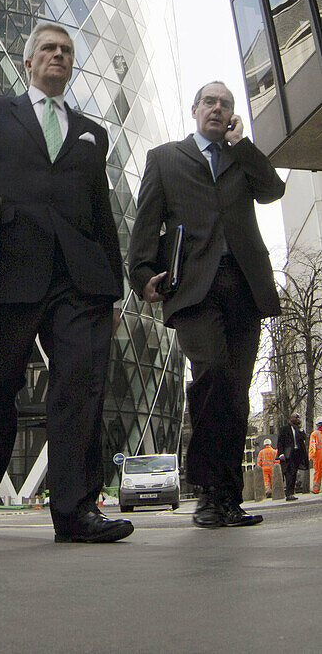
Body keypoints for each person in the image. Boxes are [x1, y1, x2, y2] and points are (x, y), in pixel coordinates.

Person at [0, 21, 132, 544]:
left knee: (79, 388)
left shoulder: (93, 132)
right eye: (49, 48)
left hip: (80, 279)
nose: (59, 56)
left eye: (67, 50)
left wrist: (114, 291)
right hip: (10, 272)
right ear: (28, 61)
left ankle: (74, 512)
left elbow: (102, 216)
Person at [128, 82, 285, 529]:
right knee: (212, 371)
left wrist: (242, 143)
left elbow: (273, 190)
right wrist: (142, 277)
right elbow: (146, 224)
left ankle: (226, 499)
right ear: (194, 109)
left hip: (245, 287)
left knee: (235, 392)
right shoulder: (165, 158)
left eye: (226, 104)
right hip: (194, 289)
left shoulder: (241, 157)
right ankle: (206, 488)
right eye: (210, 102)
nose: (218, 109)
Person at [277, 412, 308, 500]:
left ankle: (291, 493)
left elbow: (303, 438)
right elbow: (280, 442)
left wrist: (301, 428)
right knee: (289, 473)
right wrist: (281, 453)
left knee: (294, 473)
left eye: (298, 418)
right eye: (295, 417)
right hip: (288, 454)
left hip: (296, 454)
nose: (297, 419)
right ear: (291, 418)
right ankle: (288, 493)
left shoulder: (298, 429)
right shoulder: (284, 429)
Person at [308, 421, 322, 494]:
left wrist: (311, 455)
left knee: (318, 472)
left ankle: (316, 489)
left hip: (319, 455)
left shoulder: (314, 434)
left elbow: (312, 445)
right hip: (318, 454)